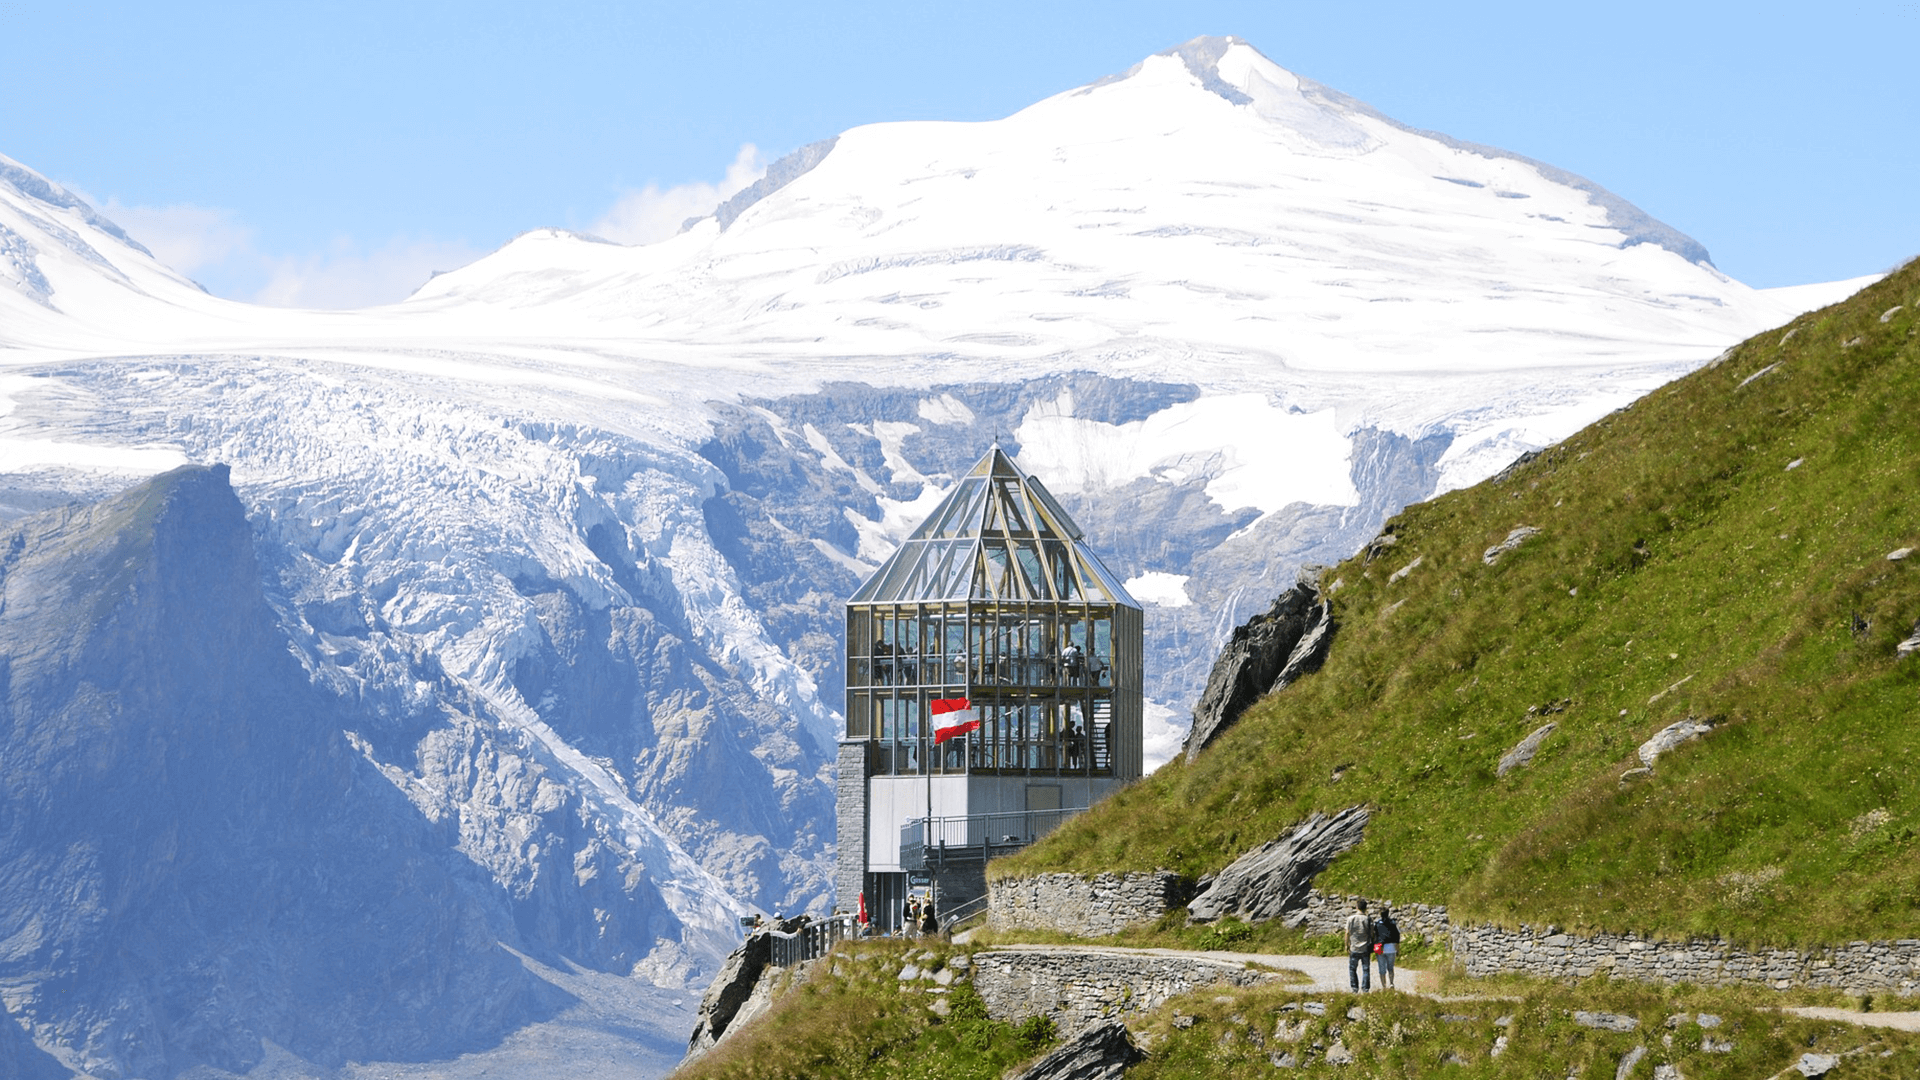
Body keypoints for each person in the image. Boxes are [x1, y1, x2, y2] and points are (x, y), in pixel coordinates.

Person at [1344, 898, 1373, 992]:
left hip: (1354, 947)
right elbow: (1372, 933)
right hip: (1365, 947)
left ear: (1356, 907)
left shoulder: (1350, 919)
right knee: (1366, 969)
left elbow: (1347, 933)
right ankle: (1365, 988)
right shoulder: (1368, 919)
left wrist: (1346, 945)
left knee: (1352, 969)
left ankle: (1354, 988)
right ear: (1366, 908)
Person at [1373, 905, 1402, 989]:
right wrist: (1398, 949)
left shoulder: (1377, 924)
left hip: (1380, 947)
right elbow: (1397, 937)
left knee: (1381, 969)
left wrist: (1375, 951)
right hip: (1391, 948)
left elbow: (1375, 937)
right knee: (1390, 967)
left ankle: (1384, 986)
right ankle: (1391, 983)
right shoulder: (1393, 923)